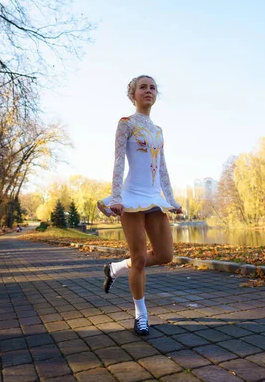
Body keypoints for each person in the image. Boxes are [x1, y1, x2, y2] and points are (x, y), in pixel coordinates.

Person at [97, 75, 182, 336]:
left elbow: (163, 168)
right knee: (139, 261)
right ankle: (141, 316)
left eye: (152, 87)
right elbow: (118, 162)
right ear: (133, 94)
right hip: (131, 196)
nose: (148, 91)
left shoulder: (158, 131)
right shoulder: (126, 124)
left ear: (156, 95)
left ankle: (116, 268)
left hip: (154, 199)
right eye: (142, 87)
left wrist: (171, 199)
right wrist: (117, 198)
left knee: (165, 255)